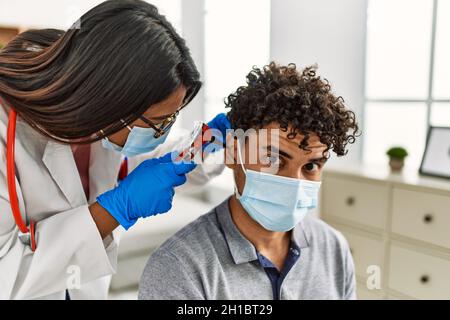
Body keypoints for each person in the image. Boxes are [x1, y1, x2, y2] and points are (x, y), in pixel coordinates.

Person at [0, 0, 230, 299]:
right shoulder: (8, 127)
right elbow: (6, 274)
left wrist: (212, 142)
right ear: (109, 99)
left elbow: (158, 164)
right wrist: (116, 209)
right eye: (158, 123)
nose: (161, 134)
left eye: (171, 120)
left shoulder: (101, 126)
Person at [139, 63, 360, 300]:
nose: (293, 183)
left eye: (310, 166)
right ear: (233, 153)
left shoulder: (333, 248)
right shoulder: (179, 269)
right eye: (273, 159)